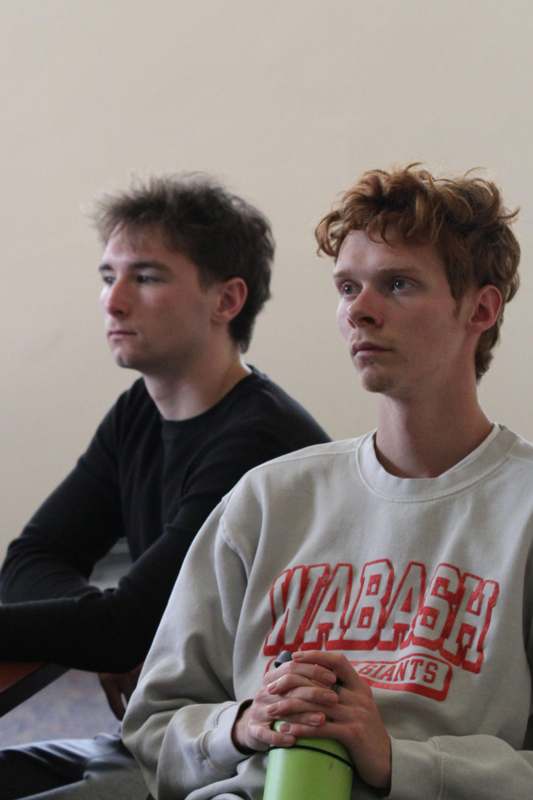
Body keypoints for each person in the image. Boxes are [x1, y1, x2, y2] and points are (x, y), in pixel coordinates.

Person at [123, 164, 533, 800]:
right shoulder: (267, 499)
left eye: (396, 285)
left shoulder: (522, 507)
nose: (360, 311)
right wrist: (241, 725)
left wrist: (397, 759)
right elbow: (151, 729)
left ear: (480, 308)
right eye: (347, 287)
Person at [0, 174, 330, 799]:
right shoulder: (139, 412)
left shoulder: (260, 439)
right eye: (107, 277)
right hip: (155, 734)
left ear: (226, 301)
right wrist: (101, 628)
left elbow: (125, 625)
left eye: (145, 277)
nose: (113, 301)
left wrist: (112, 630)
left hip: (232, 756)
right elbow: (32, 557)